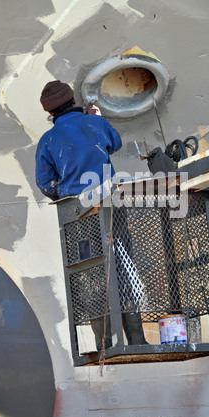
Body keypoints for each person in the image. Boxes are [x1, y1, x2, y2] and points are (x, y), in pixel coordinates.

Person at [36, 80, 147, 351]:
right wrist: (96, 118)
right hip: (111, 209)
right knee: (123, 267)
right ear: (72, 99)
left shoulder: (48, 140)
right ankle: (136, 337)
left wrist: (64, 193)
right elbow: (116, 143)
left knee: (91, 273)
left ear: (50, 113)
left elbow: (44, 183)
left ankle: (104, 342)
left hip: (79, 217)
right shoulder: (95, 124)